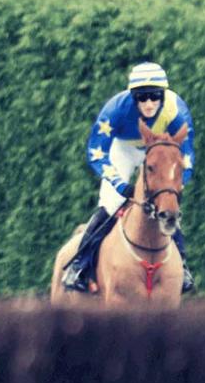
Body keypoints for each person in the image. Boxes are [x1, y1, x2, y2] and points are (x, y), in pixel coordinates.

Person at [61, 62, 196, 293]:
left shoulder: (177, 111)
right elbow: (96, 152)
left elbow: (186, 156)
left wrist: (175, 185)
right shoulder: (115, 109)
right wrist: (119, 184)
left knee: (168, 205)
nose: (149, 104)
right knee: (110, 204)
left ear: (163, 95)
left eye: (155, 96)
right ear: (133, 97)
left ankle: (182, 266)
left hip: (159, 150)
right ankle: (79, 265)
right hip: (123, 150)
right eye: (142, 97)